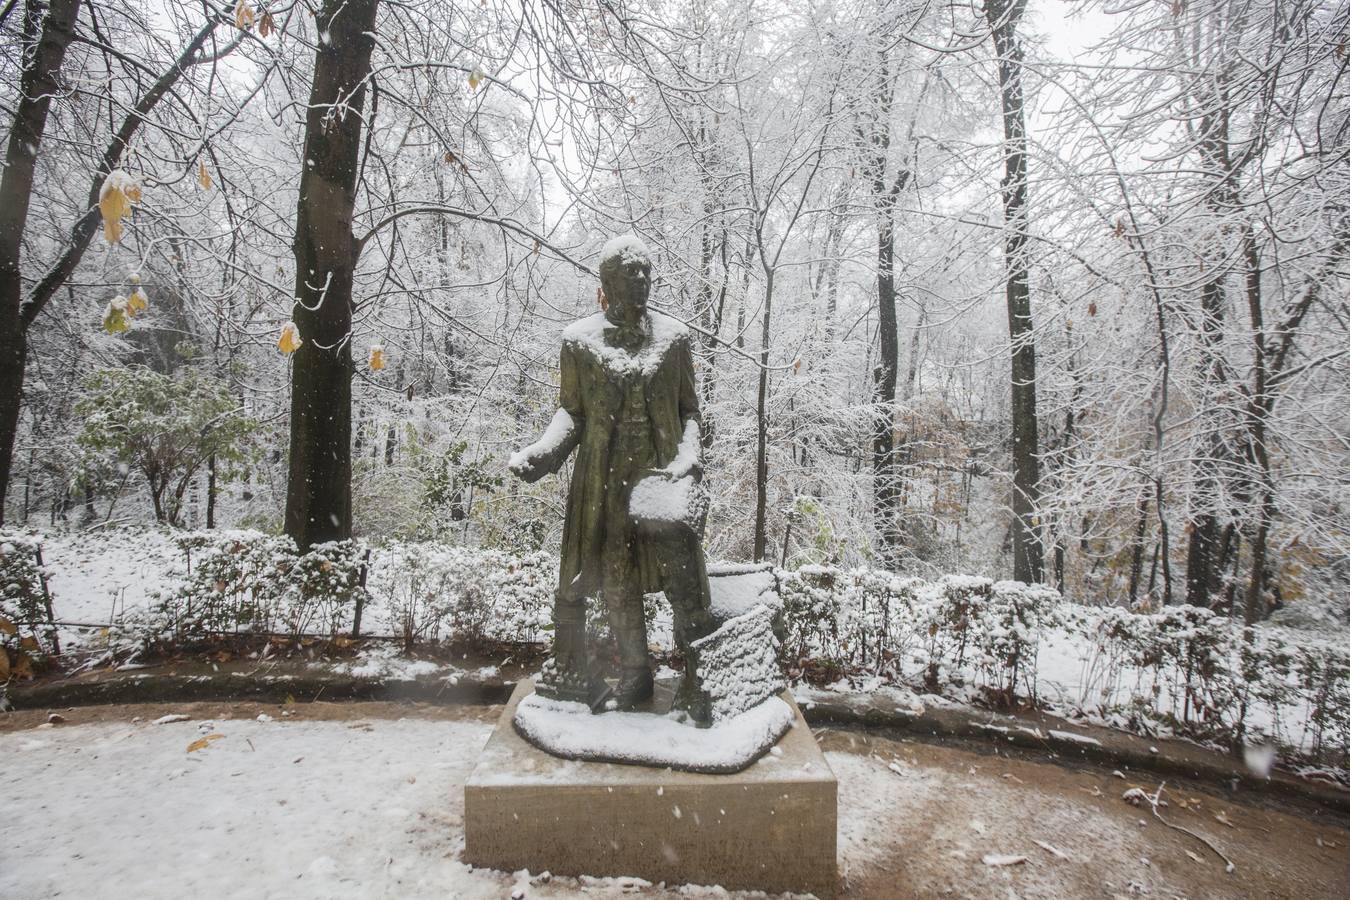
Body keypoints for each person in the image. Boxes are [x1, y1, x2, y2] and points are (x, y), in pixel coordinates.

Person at [510, 236, 714, 724]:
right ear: (606, 284)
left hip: (662, 475)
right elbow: (571, 412)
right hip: (605, 476)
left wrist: (690, 454)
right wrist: (546, 452)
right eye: (629, 274)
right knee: (616, 577)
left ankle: (698, 675)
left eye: (645, 272)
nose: (641, 281)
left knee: (681, 576)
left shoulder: (675, 337)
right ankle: (637, 671)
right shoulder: (578, 341)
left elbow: (691, 412)